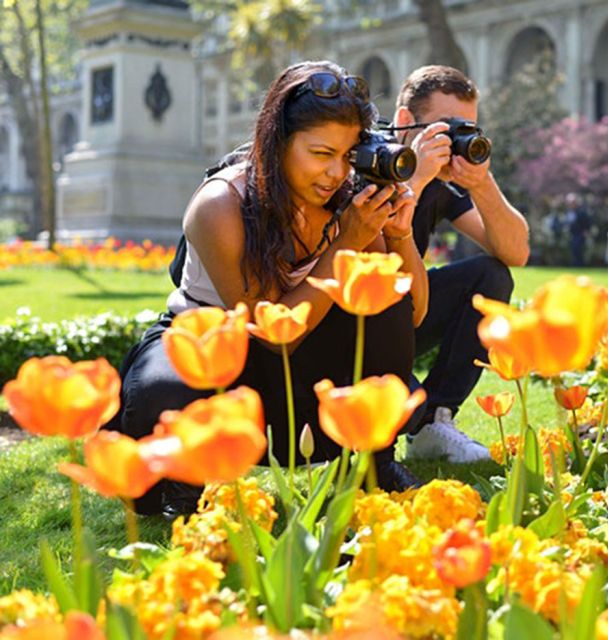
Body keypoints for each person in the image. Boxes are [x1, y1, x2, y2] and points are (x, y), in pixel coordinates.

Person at [107, 61, 427, 517]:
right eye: (320, 153)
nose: (336, 173)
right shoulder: (221, 204)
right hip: (209, 342)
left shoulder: (348, 201)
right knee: (161, 409)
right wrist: (346, 243)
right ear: (277, 144)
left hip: (289, 365)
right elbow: (276, 334)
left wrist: (399, 234)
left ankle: (375, 464)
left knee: (383, 301)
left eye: (347, 155)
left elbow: (410, 312)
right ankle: (185, 484)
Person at [391, 65, 530, 463]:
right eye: (445, 127)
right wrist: (413, 181)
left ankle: (436, 419)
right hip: (356, 326)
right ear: (405, 122)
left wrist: (481, 183)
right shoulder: (373, 163)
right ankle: (420, 420)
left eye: (466, 128)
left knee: (492, 275)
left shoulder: (443, 180)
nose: (456, 140)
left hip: (408, 312)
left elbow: (515, 253)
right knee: (407, 407)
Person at [565, 194, 592, 266]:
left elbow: (587, 222)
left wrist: (586, 231)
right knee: (573, 250)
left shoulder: (581, 212)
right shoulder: (568, 212)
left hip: (580, 234)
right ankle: (575, 263)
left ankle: (580, 264)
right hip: (572, 234)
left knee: (578, 249)